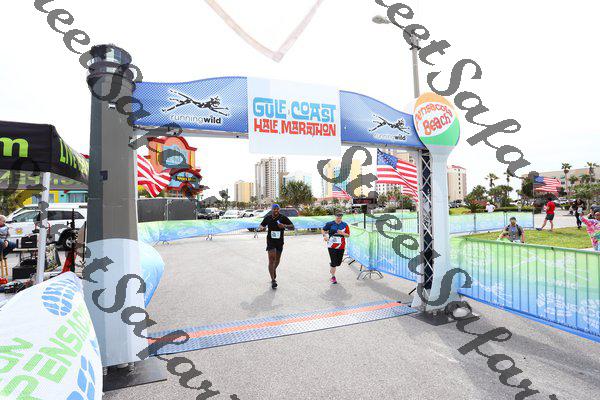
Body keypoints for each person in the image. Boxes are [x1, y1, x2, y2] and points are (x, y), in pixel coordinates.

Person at [258, 204, 294, 289]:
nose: (276, 210)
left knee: (277, 259)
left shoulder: (283, 217)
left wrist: (284, 226)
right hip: (270, 241)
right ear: (272, 209)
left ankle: (273, 269)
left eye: (277, 209)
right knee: (271, 259)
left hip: (279, 241)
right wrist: (262, 228)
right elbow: (261, 225)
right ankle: (273, 280)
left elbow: (292, 226)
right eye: (274, 209)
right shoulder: (268, 218)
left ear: (279, 209)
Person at [321, 212, 351, 284]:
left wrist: (342, 233)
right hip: (331, 245)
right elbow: (323, 230)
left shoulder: (345, 225)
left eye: (340, 218)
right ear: (335, 217)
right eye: (337, 217)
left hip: (341, 246)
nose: (339, 219)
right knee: (334, 263)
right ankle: (333, 277)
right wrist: (325, 236)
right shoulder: (330, 224)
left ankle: (332, 263)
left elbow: (348, 235)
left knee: (338, 263)